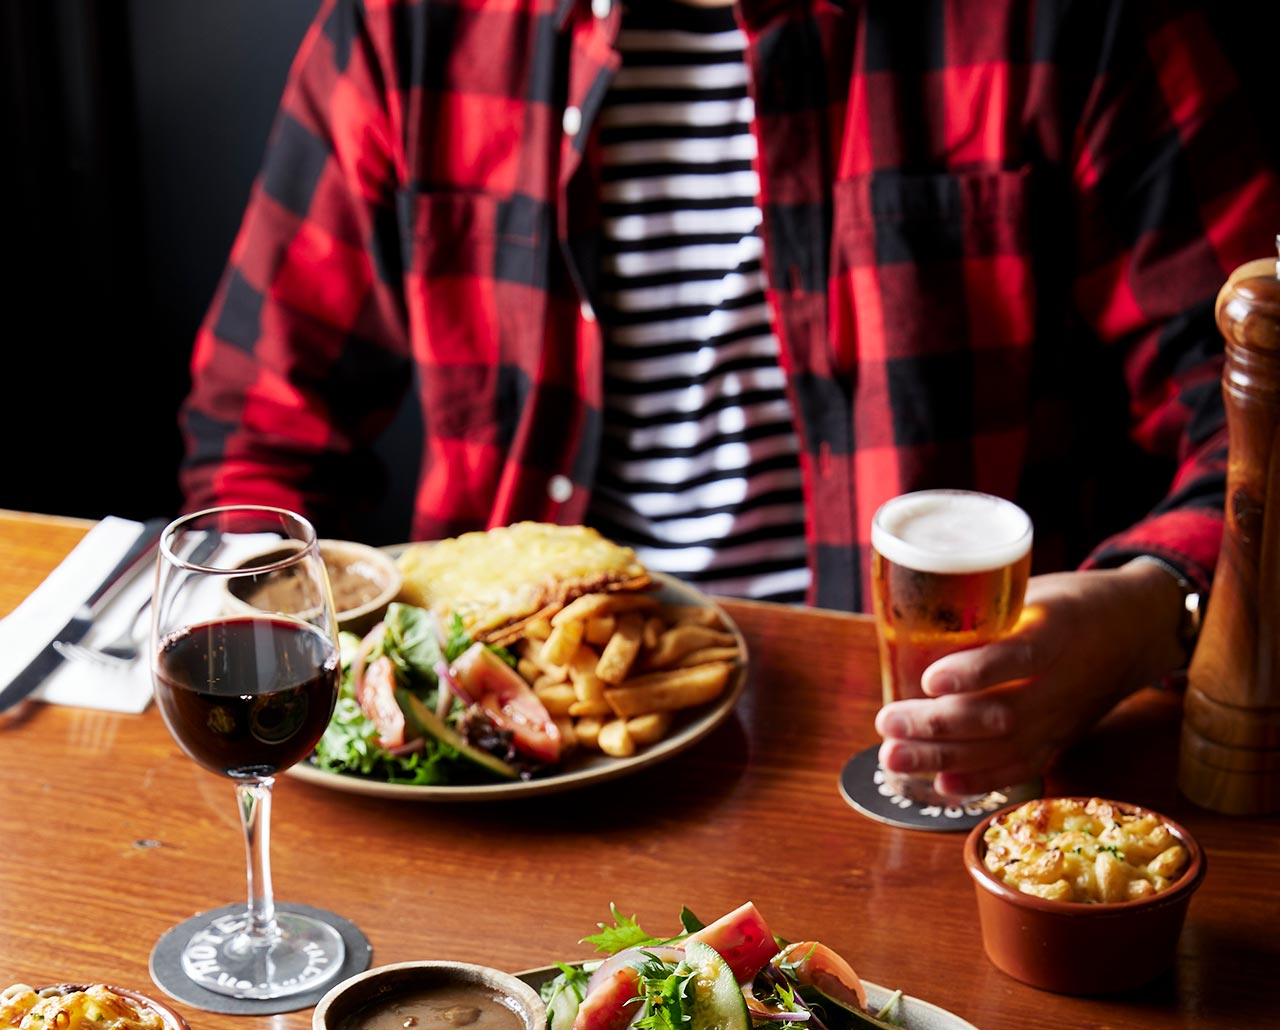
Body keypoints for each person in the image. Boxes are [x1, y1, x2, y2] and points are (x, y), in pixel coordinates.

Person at [179, 0, 1280, 797]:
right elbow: (257, 428)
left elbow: (1258, 423)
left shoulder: (1074, 26)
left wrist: (1150, 613)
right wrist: (269, 647)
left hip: (928, 762)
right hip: (485, 776)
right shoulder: (403, 30)